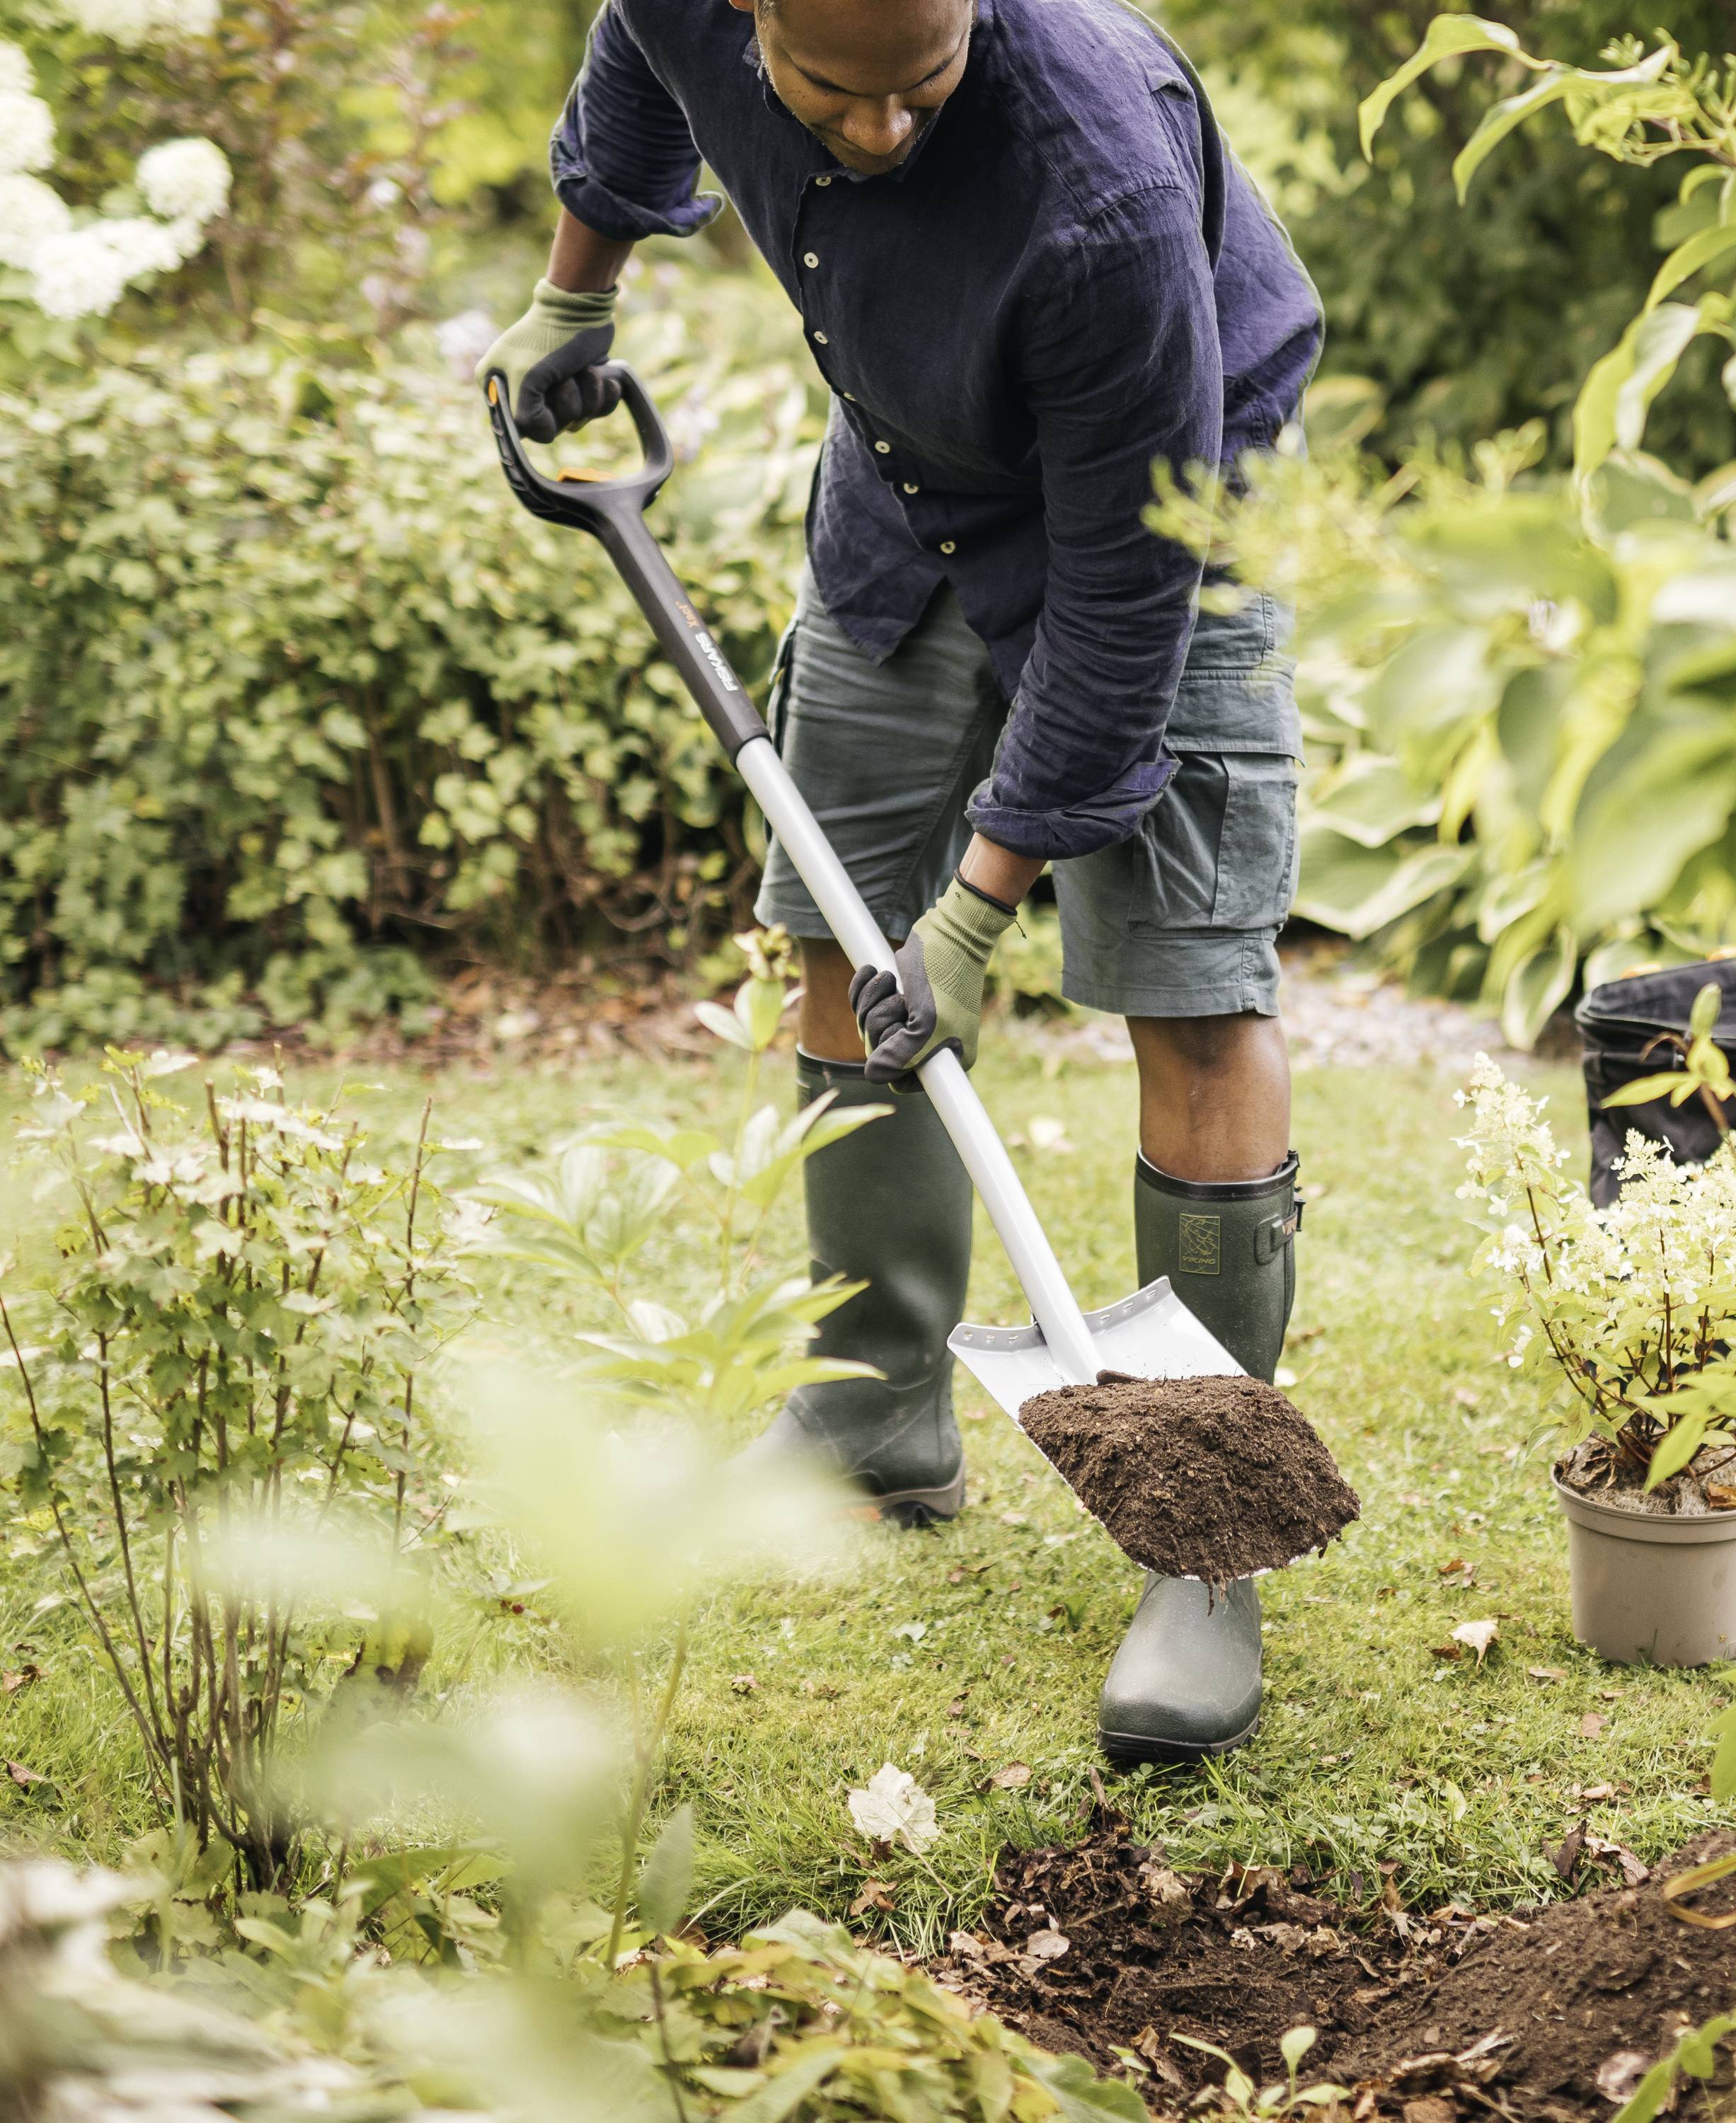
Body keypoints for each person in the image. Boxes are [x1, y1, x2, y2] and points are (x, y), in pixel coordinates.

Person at [481, 0, 1321, 1764]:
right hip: (900, 498)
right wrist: (580, 289)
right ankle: (873, 1417)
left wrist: (982, 904)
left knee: (1192, 991)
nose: (871, 135)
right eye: (828, 94)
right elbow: (637, 70)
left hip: (1161, 532)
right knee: (831, 937)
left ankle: (1206, 1540)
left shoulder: (1095, 188)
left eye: (919, 92)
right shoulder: (694, 8)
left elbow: (1117, 605)